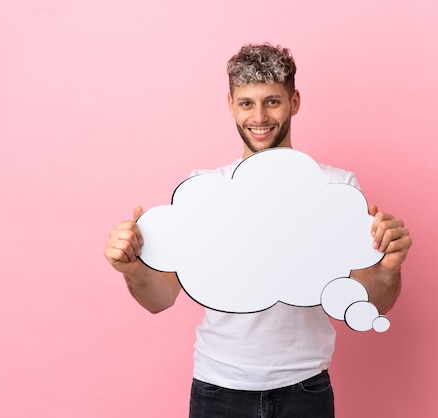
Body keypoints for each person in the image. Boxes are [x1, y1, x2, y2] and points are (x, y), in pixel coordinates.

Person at [104, 43, 412, 418]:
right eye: (247, 103)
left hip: (305, 388)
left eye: (272, 101)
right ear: (231, 104)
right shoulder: (204, 190)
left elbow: (372, 301)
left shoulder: (337, 188)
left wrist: (389, 266)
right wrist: (133, 268)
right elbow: (160, 298)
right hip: (218, 388)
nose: (260, 116)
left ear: (294, 101)